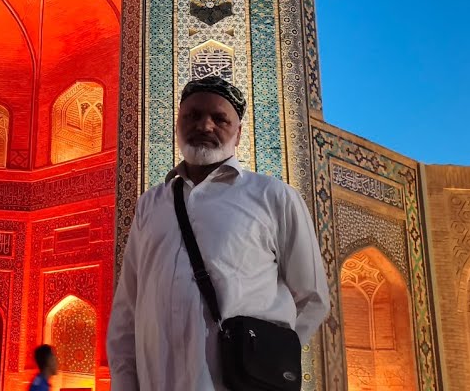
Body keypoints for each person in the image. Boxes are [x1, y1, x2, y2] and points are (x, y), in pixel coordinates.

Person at [106, 77, 330, 390]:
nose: (205, 126)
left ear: (238, 133)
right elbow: (127, 310)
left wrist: (267, 361)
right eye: (193, 116)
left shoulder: (273, 197)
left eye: (220, 118)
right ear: (177, 124)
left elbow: (313, 297)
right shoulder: (151, 204)